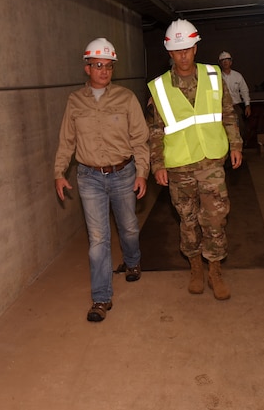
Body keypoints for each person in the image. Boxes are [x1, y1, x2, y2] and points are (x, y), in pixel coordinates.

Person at [54, 37, 150, 322]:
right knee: (98, 239)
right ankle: (101, 298)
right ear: (87, 68)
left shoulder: (126, 98)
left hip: (124, 174)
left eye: (108, 66)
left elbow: (140, 138)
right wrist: (59, 172)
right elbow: (66, 141)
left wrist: (142, 172)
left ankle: (132, 262)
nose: (104, 71)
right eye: (98, 66)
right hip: (89, 177)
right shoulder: (74, 101)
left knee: (129, 227)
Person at [147, 19, 243, 301]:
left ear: (196, 47)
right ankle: (195, 268)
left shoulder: (214, 76)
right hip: (179, 165)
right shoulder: (159, 87)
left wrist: (236, 144)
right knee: (188, 220)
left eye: (188, 48)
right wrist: (158, 164)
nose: (184, 55)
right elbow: (155, 131)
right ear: (169, 52)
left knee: (215, 218)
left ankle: (214, 270)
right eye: (178, 50)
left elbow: (228, 113)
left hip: (211, 161)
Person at [218, 51, 252, 143]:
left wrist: (247, 105)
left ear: (231, 62)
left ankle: (240, 149)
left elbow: (244, 90)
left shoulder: (237, 76)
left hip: (236, 105)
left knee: (240, 127)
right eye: (223, 60)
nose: (225, 62)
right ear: (220, 63)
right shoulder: (218, 76)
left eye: (227, 60)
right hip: (222, 107)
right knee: (223, 129)